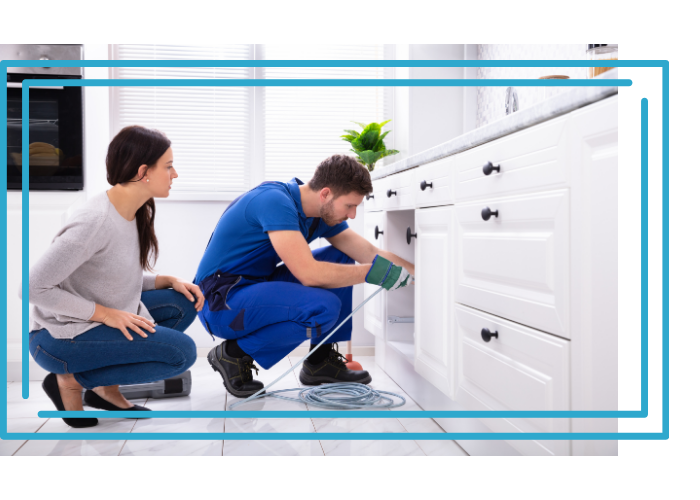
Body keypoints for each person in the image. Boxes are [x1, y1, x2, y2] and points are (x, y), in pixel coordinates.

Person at [23, 126, 203, 428]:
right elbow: (32, 287)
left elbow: (111, 276)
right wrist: (106, 315)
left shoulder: (133, 211)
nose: (175, 174)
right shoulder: (94, 221)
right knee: (180, 353)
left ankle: (106, 391)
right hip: (58, 339)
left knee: (180, 302)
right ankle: (70, 381)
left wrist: (166, 280)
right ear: (143, 171)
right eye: (169, 166)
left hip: (89, 325)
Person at [194, 155, 414, 398]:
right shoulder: (273, 201)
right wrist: (372, 274)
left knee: (338, 255)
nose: (352, 215)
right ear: (326, 194)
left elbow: (370, 254)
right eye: (349, 206)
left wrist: (421, 275)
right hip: (220, 301)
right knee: (323, 307)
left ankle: (320, 361)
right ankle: (234, 354)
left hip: (254, 287)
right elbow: (309, 274)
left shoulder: (320, 215)